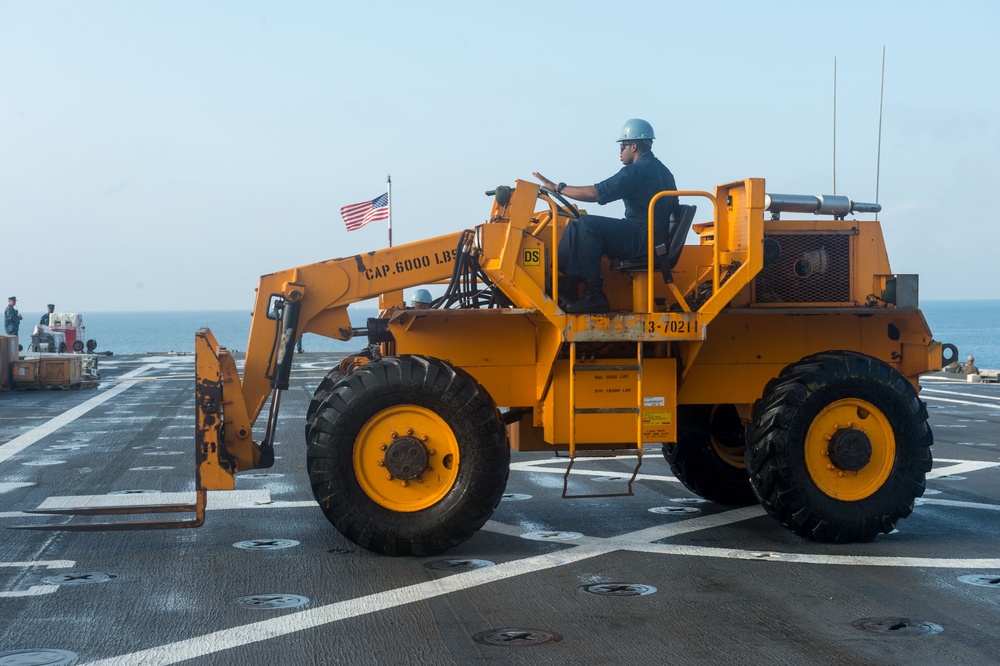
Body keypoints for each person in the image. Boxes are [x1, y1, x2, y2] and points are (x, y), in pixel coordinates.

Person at [533, 118, 677, 314]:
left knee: (588, 224)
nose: (620, 151)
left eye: (623, 145)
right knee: (577, 223)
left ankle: (594, 295)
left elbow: (597, 193)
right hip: (651, 236)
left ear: (634, 146)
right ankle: (570, 284)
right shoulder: (662, 171)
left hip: (644, 237)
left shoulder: (637, 171)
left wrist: (558, 188)